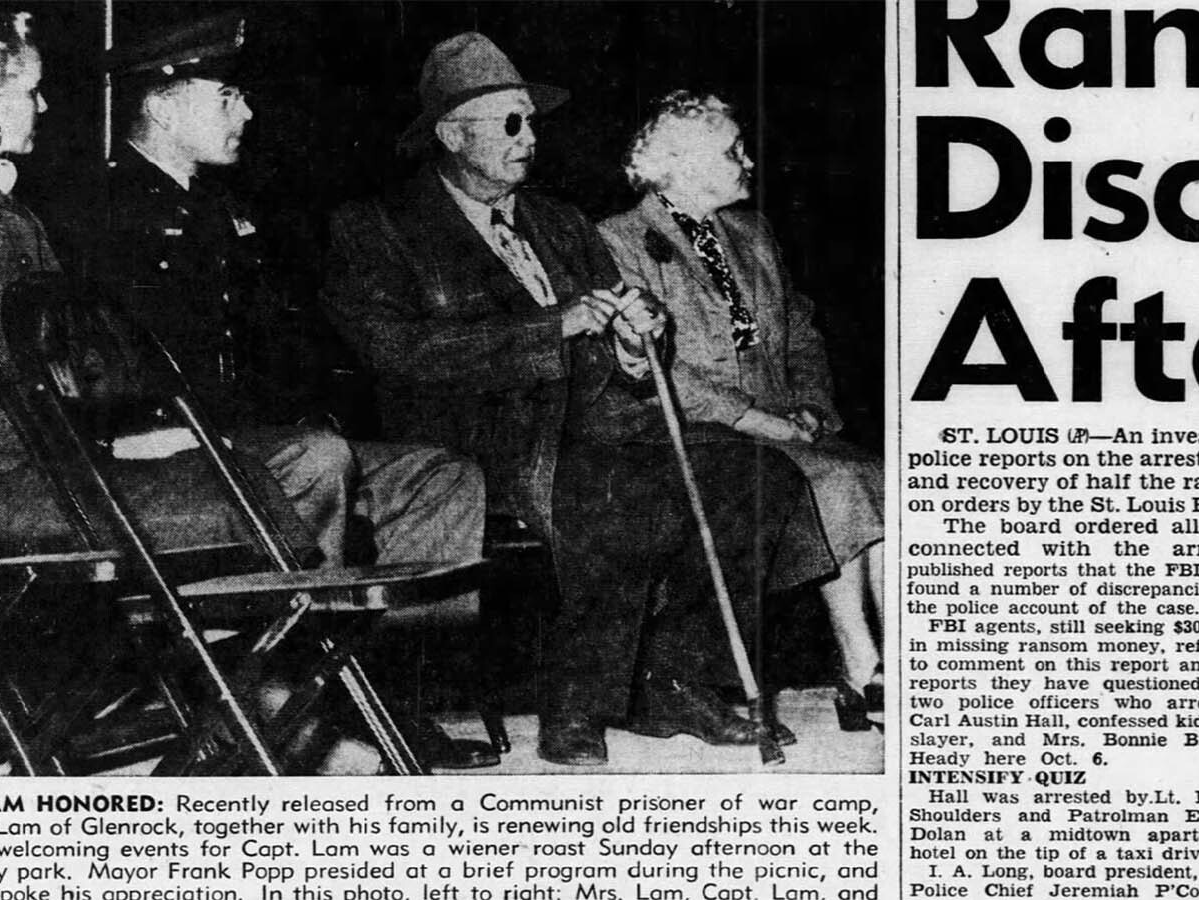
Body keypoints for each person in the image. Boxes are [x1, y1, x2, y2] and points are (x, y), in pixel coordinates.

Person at [0, 10, 372, 775]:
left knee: (300, 460)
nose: (47, 107)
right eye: (32, 91)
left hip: (45, 472)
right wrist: (106, 443)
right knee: (282, 484)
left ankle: (255, 712)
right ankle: (256, 720)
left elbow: (48, 374)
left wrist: (116, 438)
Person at [324, 33, 837, 766]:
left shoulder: (559, 221)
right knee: (615, 490)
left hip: (599, 421)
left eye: (531, 122)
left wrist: (634, 341)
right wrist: (548, 329)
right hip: (474, 438)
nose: (529, 139)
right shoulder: (379, 227)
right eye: (509, 124)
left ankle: (675, 677)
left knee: (760, 476)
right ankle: (579, 701)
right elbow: (397, 354)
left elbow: (613, 334)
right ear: (451, 134)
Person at [51, 14, 494, 769]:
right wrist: (134, 428)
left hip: (248, 442)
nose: (248, 113)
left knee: (442, 476)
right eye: (227, 96)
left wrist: (310, 407)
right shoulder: (96, 212)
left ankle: (373, 691)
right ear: (162, 106)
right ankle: (271, 699)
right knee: (318, 460)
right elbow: (84, 367)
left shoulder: (224, 210)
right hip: (160, 452)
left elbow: (280, 347)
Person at [598, 91, 884, 728]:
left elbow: (803, 330)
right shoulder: (620, 240)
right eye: (731, 151)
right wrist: (764, 422)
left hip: (788, 419)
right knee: (838, 481)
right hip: (704, 430)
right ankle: (859, 660)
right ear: (680, 164)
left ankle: (885, 664)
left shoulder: (752, 232)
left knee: (885, 479)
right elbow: (664, 373)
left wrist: (809, 405)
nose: (747, 160)